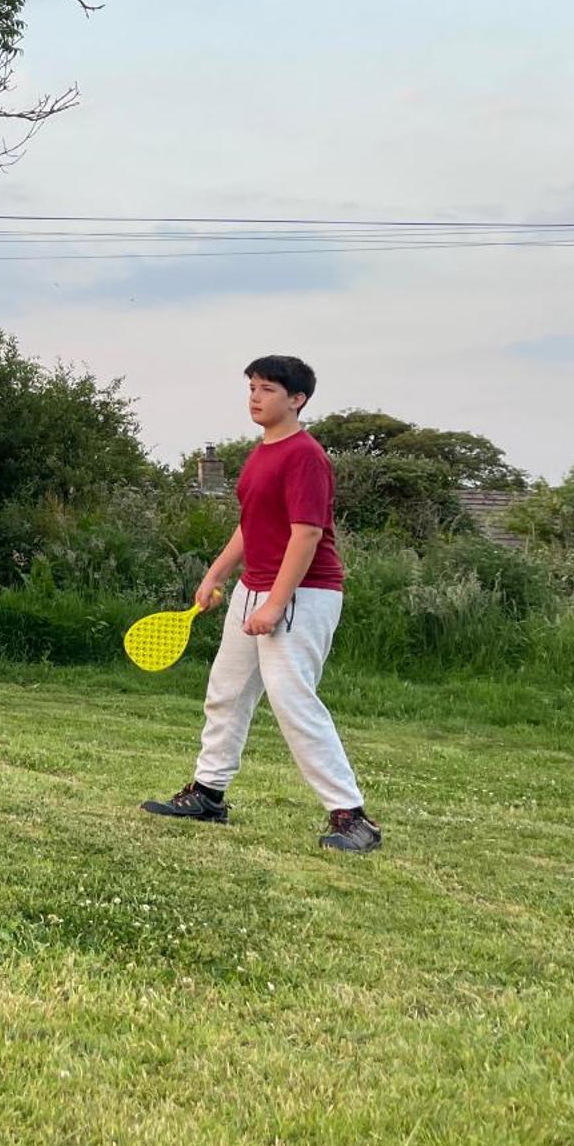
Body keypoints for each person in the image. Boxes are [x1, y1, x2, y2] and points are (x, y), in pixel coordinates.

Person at [142, 356, 382, 853]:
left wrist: (275, 603)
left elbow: (307, 534)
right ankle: (208, 795)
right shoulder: (261, 452)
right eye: (251, 387)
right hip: (255, 589)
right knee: (226, 692)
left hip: (302, 594)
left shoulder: (305, 456)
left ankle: (352, 818)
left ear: (297, 399)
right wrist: (216, 573)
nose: (255, 397)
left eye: (267, 389)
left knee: (293, 701)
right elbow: (252, 525)